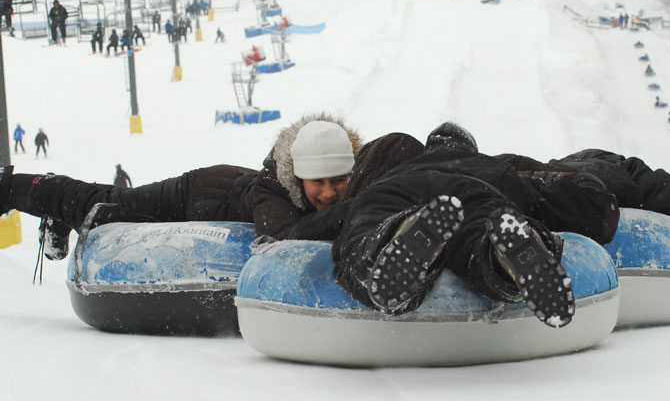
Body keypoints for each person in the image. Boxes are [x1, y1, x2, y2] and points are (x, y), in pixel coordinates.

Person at [0, 113, 423, 264]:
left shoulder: (343, 180)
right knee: (104, 205)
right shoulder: (272, 195)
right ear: (298, 178)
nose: (329, 193)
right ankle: (21, 189)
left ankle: (58, 209)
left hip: (224, 182)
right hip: (195, 194)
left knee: (106, 209)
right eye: (319, 184)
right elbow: (283, 240)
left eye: (338, 182)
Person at [289, 123, 586, 328]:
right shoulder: (492, 168)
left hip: (396, 191)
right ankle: (504, 255)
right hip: (477, 191)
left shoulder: (399, 168)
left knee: (366, 234)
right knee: (475, 242)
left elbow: (332, 218)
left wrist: (296, 233)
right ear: (472, 150)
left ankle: (395, 234)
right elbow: (562, 203)